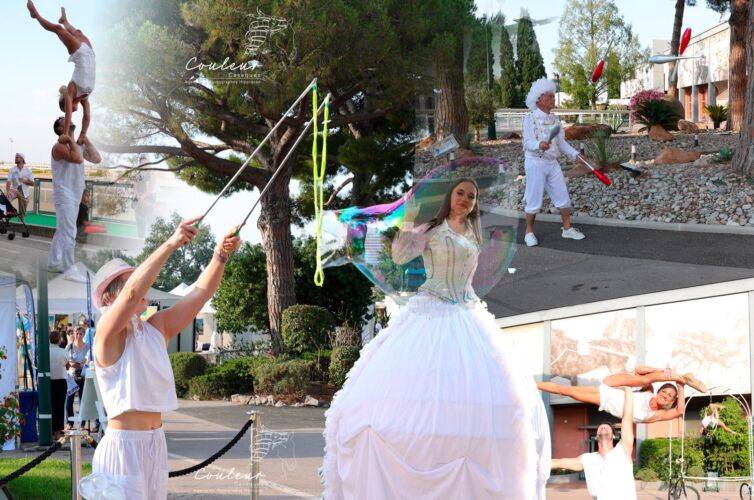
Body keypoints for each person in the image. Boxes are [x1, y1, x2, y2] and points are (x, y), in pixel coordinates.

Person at [322, 178, 552, 499]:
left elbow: (470, 277)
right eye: (460, 193)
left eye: (471, 196)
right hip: (431, 310)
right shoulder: (431, 227)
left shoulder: (474, 232)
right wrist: (409, 225)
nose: (466, 199)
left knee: (489, 393)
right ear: (450, 196)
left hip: (467, 312)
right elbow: (400, 257)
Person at [91, 217, 240, 498]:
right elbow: (134, 292)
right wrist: (172, 242)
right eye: (127, 281)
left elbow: (201, 293)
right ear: (110, 299)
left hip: (155, 443)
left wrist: (221, 254)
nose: (141, 286)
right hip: (123, 447)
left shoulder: (155, 327)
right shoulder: (106, 333)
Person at [522, 77, 585, 246]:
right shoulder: (529, 119)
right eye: (549, 96)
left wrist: (576, 155)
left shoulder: (555, 120)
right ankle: (528, 232)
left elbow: (562, 144)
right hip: (535, 163)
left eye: (553, 95)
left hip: (552, 163)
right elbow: (527, 142)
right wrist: (538, 144)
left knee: (562, 196)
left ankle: (567, 228)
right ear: (539, 99)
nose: (553, 98)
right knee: (534, 199)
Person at [537, 366, 708, 423]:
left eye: (669, 395)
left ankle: (533, 385)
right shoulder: (649, 391)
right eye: (663, 390)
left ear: (671, 401)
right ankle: (681, 376)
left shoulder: (657, 415)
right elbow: (639, 370)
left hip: (605, 399)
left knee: (567, 391)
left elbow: (679, 412)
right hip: (615, 386)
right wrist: (662, 370)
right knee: (644, 381)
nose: (664, 395)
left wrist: (680, 387)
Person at [551, 387, 636, 500]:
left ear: (614, 436)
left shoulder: (623, 450)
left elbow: (627, 418)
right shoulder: (588, 459)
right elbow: (559, 463)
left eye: (607, 428)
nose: (603, 428)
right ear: (596, 436)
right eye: (600, 428)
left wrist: (628, 389)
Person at [28, 2, 94, 144]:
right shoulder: (84, 97)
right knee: (69, 31)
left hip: (80, 53)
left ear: (66, 102)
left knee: (62, 29)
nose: (72, 112)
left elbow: (68, 113)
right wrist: (83, 134)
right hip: (89, 52)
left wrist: (65, 134)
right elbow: (87, 115)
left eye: (67, 110)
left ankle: (38, 16)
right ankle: (61, 21)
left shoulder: (71, 91)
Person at [48, 116, 101, 282]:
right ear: (59, 129)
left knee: (62, 229)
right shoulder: (58, 147)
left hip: (75, 193)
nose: (68, 118)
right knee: (69, 231)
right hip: (64, 193)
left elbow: (97, 159)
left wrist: (86, 139)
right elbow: (77, 158)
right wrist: (71, 140)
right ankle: (69, 270)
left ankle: (53, 262)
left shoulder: (77, 145)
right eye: (63, 119)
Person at [64, 326, 89, 431]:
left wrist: (81, 364)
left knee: (83, 401)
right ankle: (70, 422)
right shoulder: (69, 346)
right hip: (71, 376)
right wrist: (72, 364)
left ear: (83, 335)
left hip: (83, 375)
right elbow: (65, 360)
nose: (78, 336)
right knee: (69, 402)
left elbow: (89, 360)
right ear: (73, 334)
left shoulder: (87, 346)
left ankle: (82, 424)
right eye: (76, 333)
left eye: (80, 334)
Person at [49, 330, 68, 438]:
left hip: (49, 382)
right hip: (60, 381)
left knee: (50, 406)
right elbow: (67, 363)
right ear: (59, 339)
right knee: (59, 407)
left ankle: (51, 429)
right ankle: (58, 431)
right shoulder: (62, 351)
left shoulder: (45, 351)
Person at [6, 153, 35, 219]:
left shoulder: (28, 170)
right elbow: (8, 181)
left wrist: (24, 181)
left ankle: (21, 225)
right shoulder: (12, 169)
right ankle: (6, 217)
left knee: (22, 214)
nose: (15, 158)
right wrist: (8, 191)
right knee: (5, 201)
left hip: (24, 193)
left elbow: (33, 183)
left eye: (17, 157)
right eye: (15, 157)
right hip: (14, 190)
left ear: (22, 159)